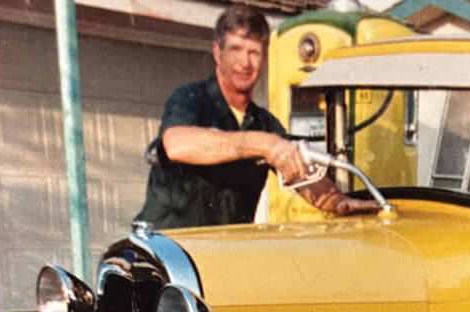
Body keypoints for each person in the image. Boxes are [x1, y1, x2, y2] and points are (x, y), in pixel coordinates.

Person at [135, 5, 378, 229]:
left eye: (254, 53)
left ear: (263, 60)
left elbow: (305, 179)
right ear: (217, 52)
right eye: (236, 49)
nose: (244, 62)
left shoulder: (265, 124)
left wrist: (339, 202)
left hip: (221, 255)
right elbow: (177, 144)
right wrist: (263, 145)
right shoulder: (191, 98)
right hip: (167, 253)